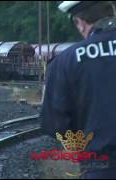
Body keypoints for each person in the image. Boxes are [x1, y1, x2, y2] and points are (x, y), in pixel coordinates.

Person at [41, 1, 116, 179]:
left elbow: (53, 124)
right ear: (112, 12)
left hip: (101, 167)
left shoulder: (64, 62)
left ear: (80, 23)